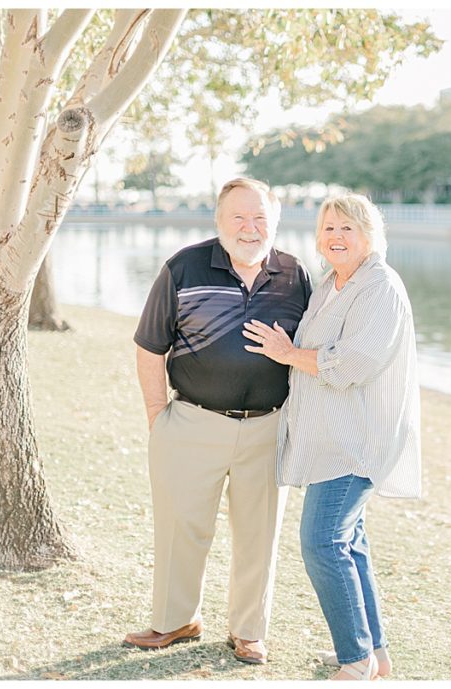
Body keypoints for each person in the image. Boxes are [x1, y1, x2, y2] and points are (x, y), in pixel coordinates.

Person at [123, 177, 311, 665]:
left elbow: (311, 351)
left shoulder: (296, 276)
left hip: (269, 426)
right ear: (220, 221)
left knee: (259, 534)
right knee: (181, 526)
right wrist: (154, 414)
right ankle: (175, 619)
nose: (250, 228)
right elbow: (149, 346)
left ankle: (249, 631)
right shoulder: (183, 267)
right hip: (191, 421)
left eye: (260, 219)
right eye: (239, 218)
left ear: (274, 223)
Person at [242, 193, 421, 680]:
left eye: (347, 228)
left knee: (322, 542)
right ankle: (375, 654)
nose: (336, 237)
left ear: (369, 235)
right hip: (328, 440)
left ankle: (355, 660)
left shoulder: (378, 287)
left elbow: (356, 363)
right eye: (328, 229)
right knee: (350, 542)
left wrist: (286, 353)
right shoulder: (332, 284)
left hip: (356, 442)